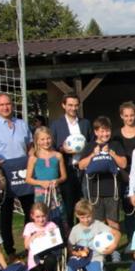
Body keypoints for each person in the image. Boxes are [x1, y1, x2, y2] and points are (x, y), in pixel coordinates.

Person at [0, 93, 34, 257]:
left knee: (30, 212)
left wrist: (32, 161)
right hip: (3, 175)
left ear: (12, 105)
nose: (5, 107)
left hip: (24, 174)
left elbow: (30, 147)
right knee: (6, 215)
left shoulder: (22, 124)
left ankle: (31, 246)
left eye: (8, 104)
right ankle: (10, 251)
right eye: (2, 105)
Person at [50, 93, 94, 229]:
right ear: (63, 105)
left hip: (84, 169)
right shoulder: (56, 125)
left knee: (85, 204)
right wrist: (62, 149)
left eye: (76, 105)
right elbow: (51, 148)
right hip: (66, 170)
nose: (73, 108)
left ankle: (85, 232)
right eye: (70, 105)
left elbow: (92, 143)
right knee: (69, 206)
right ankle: (69, 235)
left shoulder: (85, 123)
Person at [78, 116, 127, 234]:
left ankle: (114, 245)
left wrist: (112, 154)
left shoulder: (115, 145)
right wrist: (93, 155)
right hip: (94, 191)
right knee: (98, 222)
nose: (105, 134)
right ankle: (99, 244)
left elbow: (124, 164)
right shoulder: (90, 146)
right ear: (96, 132)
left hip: (112, 191)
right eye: (102, 131)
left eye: (107, 131)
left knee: (113, 221)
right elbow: (81, 165)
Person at [67, 200, 121, 271]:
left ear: (92, 213)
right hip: (80, 257)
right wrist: (77, 253)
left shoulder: (98, 225)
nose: (86, 220)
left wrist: (113, 246)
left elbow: (117, 233)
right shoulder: (75, 229)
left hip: (95, 257)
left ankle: (99, 270)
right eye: (82, 217)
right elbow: (70, 246)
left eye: (88, 217)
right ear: (76, 215)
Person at [112, 101, 135, 243]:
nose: (129, 118)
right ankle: (132, 240)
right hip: (124, 175)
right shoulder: (116, 135)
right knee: (129, 209)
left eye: (131, 115)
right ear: (121, 116)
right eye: (126, 116)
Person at [25, 127, 68, 228]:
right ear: (37, 141)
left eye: (48, 138)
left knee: (60, 217)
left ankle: (62, 236)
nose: (46, 141)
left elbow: (64, 176)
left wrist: (57, 181)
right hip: (41, 194)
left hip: (55, 193)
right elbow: (28, 179)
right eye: (42, 139)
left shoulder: (58, 156)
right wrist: (41, 183)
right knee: (42, 218)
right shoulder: (33, 158)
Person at [23, 202, 62, 271]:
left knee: (50, 259)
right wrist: (34, 236)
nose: (41, 219)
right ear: (32, 216)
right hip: (34, 262)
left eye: (43, 216)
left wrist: (48, 235)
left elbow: (57, 242)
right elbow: (26, 246)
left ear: (47, 215)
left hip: (49, 258)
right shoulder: (29, 226)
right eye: (38, 217)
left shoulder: (51, 225)